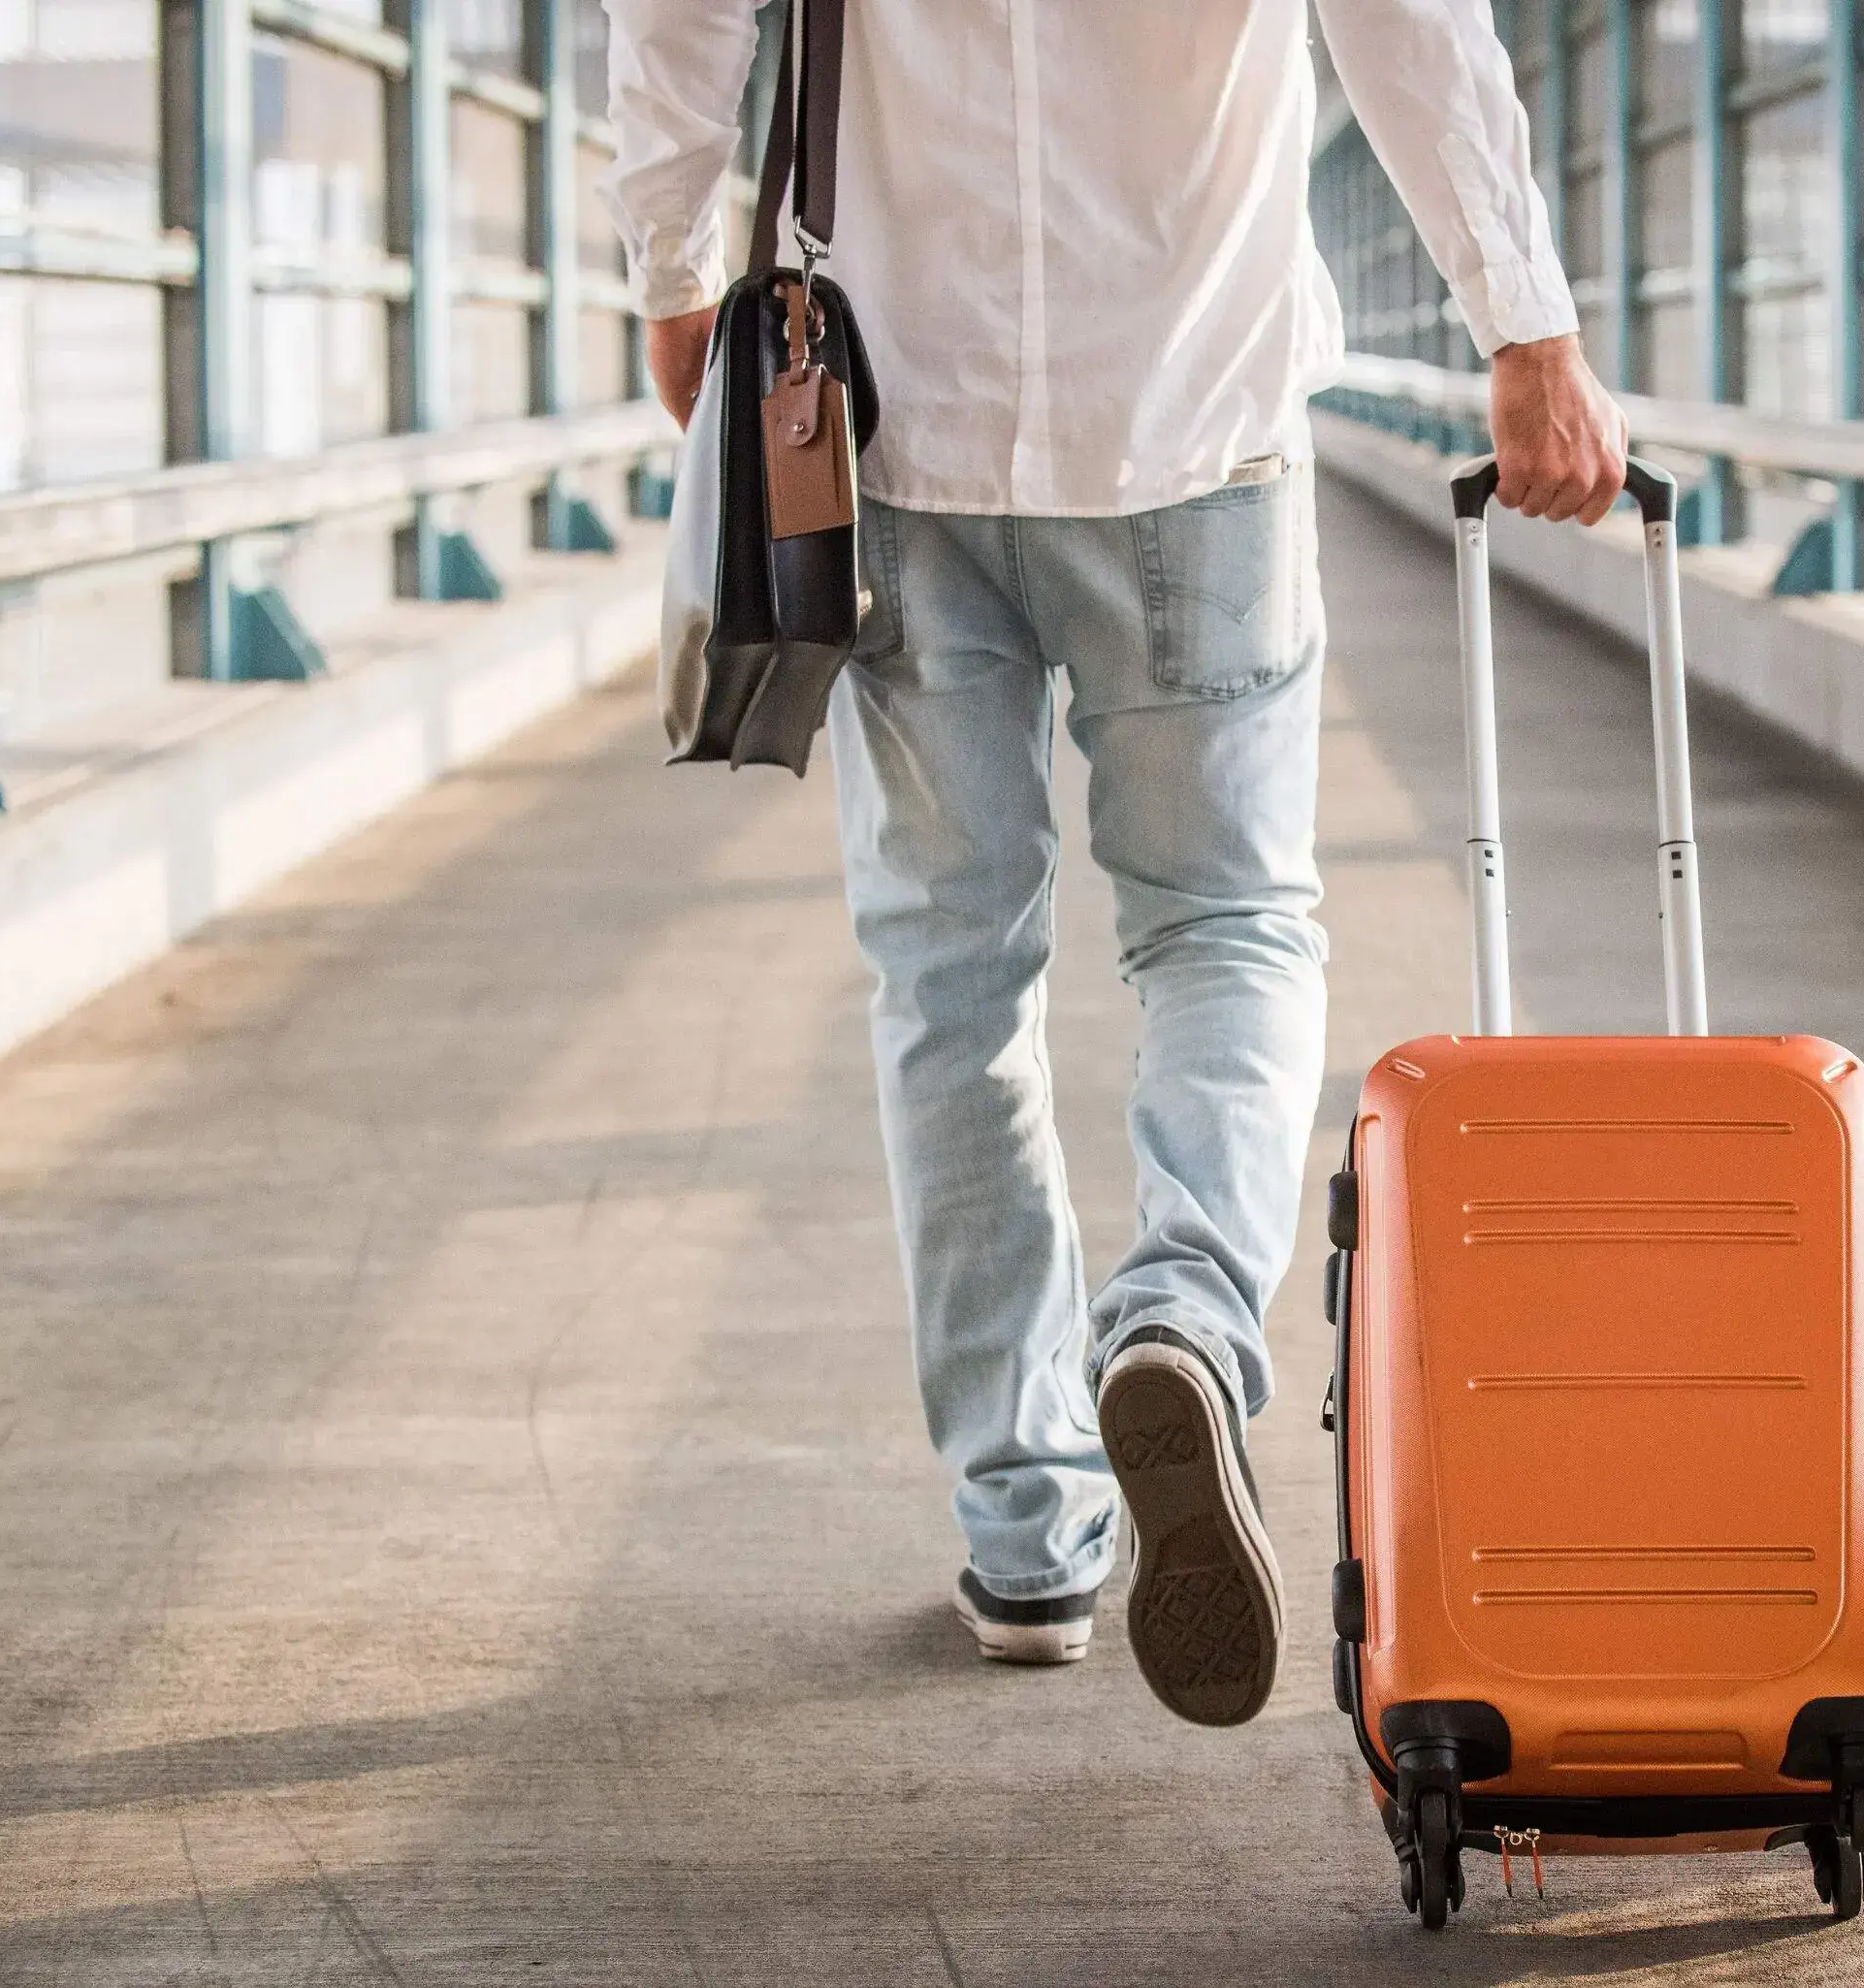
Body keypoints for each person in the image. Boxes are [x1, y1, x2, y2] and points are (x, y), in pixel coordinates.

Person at [601, 0, 1624, 1728]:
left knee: (948, 978)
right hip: (1193, 416)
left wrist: (675, 270)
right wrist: (1523, 322)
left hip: (894, 427)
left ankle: (1027, 1528)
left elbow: (684, 17)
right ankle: (1187, 1321)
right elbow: (1405, 25)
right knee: (1227, 923)